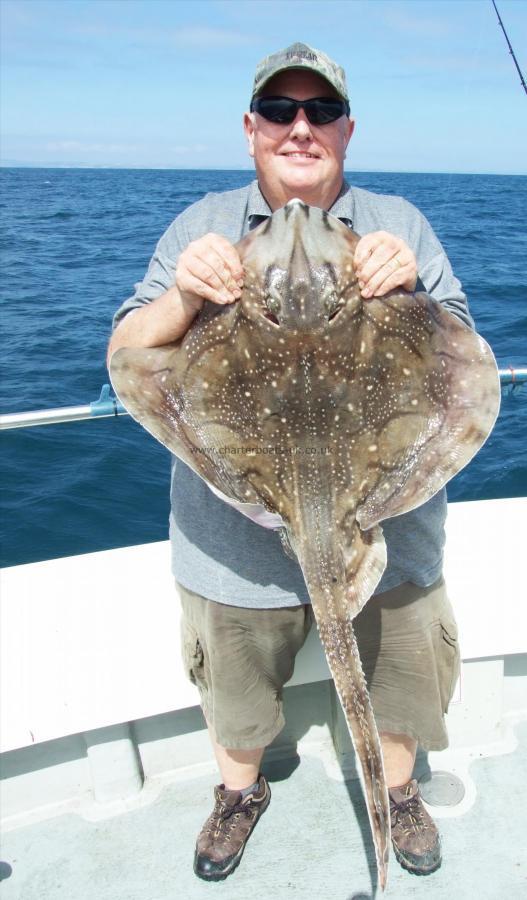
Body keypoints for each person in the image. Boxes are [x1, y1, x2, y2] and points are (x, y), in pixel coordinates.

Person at [108, 43, 467, 883]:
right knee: (235, 685)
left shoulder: (400, 223)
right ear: (250, 129)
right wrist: (186, 297)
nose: (298, 128)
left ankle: (399, 790)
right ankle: (239, 793)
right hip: (227, 536)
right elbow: (126, 353)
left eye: (317, 113)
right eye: (278, 112)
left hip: (390, 520)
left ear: (346, 129)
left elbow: (464, 351)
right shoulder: (198, 227)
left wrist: (410, 288)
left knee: (401, 672)